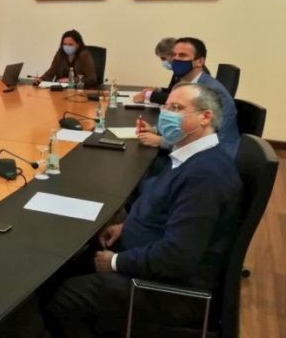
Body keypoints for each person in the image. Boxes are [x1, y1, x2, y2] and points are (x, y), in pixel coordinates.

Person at [42, 83, 242, 337]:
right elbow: (165, 208)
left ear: (205, 117)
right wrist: (127, 226)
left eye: (176, 108)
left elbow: (177, 258)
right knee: (61, 267)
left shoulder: (205, 177)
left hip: (171, 289)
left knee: (64, 298)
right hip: (148, 254)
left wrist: (116, 262)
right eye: (166, 107)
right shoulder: (191, 157)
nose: (166, 114)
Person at [138, 37, 240, 157]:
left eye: (182, 55)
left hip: (211, 157)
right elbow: (183, 122)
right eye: (174, 55)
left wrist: (162, 142)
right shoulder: (183, 85)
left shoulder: (212, 91)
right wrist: (156, 130)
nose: (176, 59)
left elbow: (212, 139)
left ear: (200, 61)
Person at [132, 37, 178, 104]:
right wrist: (158, 90)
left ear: (172, 54)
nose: (163, 61)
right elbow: (172, 91)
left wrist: (148, 95)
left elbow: (177, 98)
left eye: (163, 58)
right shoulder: (177, 71)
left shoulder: (186, 72)